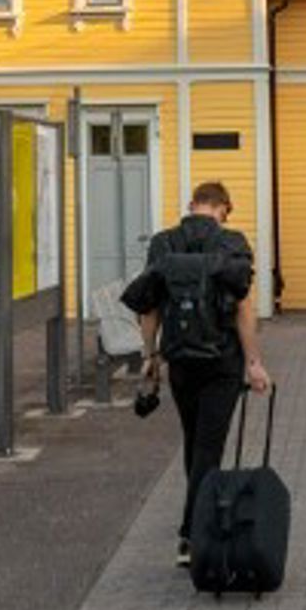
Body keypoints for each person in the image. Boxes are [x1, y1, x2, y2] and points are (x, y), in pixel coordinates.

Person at [122, 182, 272, 569]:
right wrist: (254, 361)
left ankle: (197, 516)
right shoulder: (232, 243)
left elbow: (149, 307)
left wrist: (150, 356)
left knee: (196, 442)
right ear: (222, 207)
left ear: (192, 206)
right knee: (208, 446)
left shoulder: (163, 244)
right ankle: (192, 533)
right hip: (222, 361)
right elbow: (243, 310)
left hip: (180, 360)